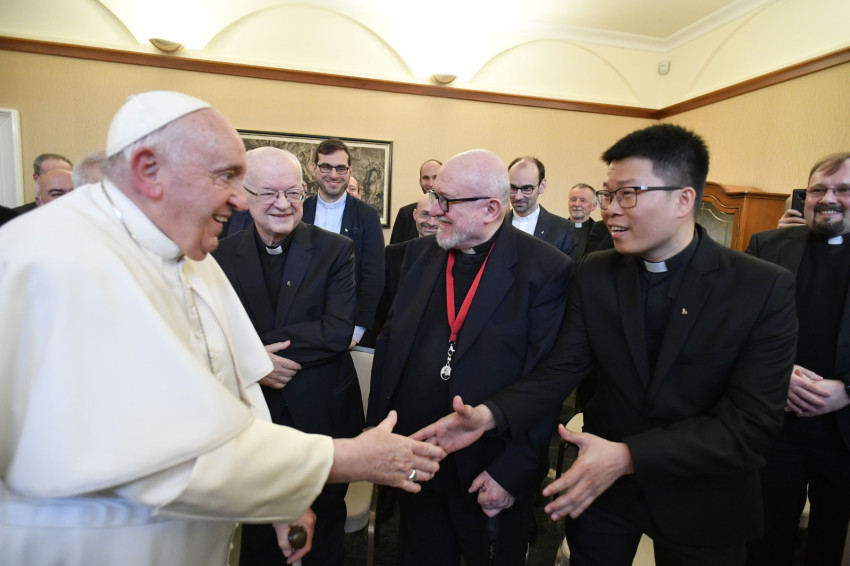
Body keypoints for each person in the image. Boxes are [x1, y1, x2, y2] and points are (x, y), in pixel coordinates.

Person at [0, 90, 445, 566]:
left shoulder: (188, 251)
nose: (239, 200)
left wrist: (278, 491)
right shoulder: (54, 261)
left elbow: (237, 398)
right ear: (149, 169)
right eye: (225, 177)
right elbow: (157, 455)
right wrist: (347, 459)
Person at [415, 124, 798, 566]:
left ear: (683, 199)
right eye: (607, 194)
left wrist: (629, 456)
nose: (609, 209)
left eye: (627, 195)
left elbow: (751, 426)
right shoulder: (597, 273)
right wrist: (489, 415)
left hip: (703, 497)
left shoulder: (760, 287)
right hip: (604, 494)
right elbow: (562, 369)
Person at [368, 149, 573, 565]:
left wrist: (511, 473)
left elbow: (546, 383)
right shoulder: (418, 255)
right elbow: (390, 346)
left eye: (446, 200)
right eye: (434, 196)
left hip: (488, 470)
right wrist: (379, 434)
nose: (433, 210)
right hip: (418, 459)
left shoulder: (545, 269)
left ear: (491, 209)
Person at [213, 146, 363, 566]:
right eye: (269, 193)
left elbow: (337, 331)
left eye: (293, 193)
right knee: (260, 534)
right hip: (255, 417)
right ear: (245, 196)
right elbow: (211, 333)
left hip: (323, 412)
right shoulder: (220, 255)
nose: (283, 204)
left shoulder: (336, 250)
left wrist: (252, 348)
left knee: (325, 531)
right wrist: (253, 360)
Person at [745, 152, 850, 566]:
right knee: (765, 537)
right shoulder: (767, 246)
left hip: (844, 430)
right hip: (776, 421)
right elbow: (738, 328)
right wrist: (778, 375)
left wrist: (846, 390)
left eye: (843, 190)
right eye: (818, 189)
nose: (828, 199)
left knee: (831, 541)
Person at [302, 138, 384, 347]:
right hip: (302, 322)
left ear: (350, 171)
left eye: (341, 168)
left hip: (348, 325)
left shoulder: (367, 215)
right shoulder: (300, 210)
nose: (333, 174)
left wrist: (358, 331)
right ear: (314, 168)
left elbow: (373, 276)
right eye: (326, 167)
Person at [374, 192, 438, 332]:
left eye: (437, 216)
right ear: (415, 214)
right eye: (425, 214)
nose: (431, 222)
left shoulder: (456, 255)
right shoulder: (392, 254)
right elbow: (381, 302)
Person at [506, 156, 577, 259]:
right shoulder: (494, 226)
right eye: (513, 188)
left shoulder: (563, 229)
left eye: (527, 189)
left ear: (542, 186)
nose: (518, 196)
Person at [389, 159, 441, 244]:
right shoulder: (405, 213)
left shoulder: (454, 212)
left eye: (436, 177)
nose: (431, 183)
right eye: (426, 178)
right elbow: (395, 249)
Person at [568, 183, 599, 258]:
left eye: (583, 200)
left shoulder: (600, 233)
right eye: (573, 199)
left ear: (593, 206)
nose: (577, 204)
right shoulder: (558, 229)